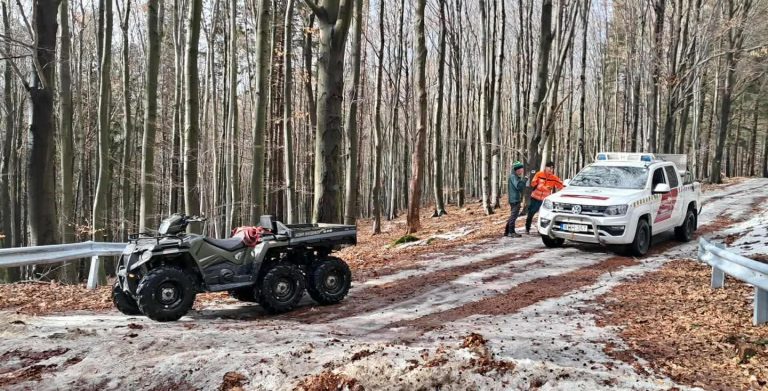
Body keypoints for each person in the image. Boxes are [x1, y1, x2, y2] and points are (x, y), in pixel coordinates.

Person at [526, 161, 565, 234]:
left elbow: (560, 185)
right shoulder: (539, 174)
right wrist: (540, 185)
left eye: (552, 168)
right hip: (535, 197)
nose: (550, 169)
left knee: (543, 215)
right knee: (531, 213)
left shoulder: (554, 178)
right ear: (545, 167)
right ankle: (527, 228)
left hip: (544, 200)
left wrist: (566, 188)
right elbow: (533, 183)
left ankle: (540, 230)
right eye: (549, 167)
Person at [505, 161, 527, 237]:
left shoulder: (514, 177)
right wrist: (524, 180)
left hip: (514, 199)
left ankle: (507, 232)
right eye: (521, 169)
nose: (522, 170)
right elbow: (519, 186)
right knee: (513, 216)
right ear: (517, 170)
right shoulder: (513, 177)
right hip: (514, 200)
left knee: (512, 216)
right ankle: (511, 232)